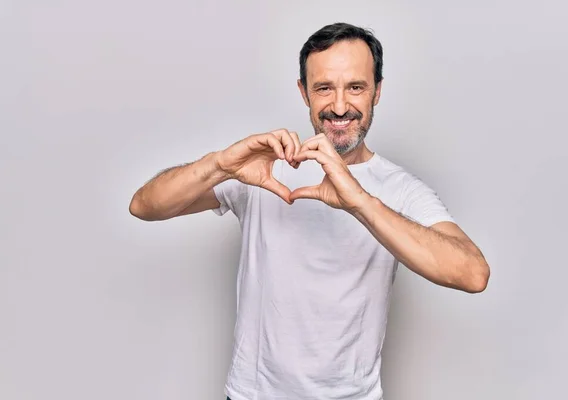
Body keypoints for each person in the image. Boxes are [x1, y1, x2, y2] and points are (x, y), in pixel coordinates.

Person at [129, 22, 490, 400]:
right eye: (323, 88)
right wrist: (220, 163)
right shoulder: (263, 169)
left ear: (377, 91)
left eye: (355, 87)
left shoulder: (398, 189)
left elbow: (472, 273)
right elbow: (145, 206)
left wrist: (361, 202)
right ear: (304, 92)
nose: (338, 106)